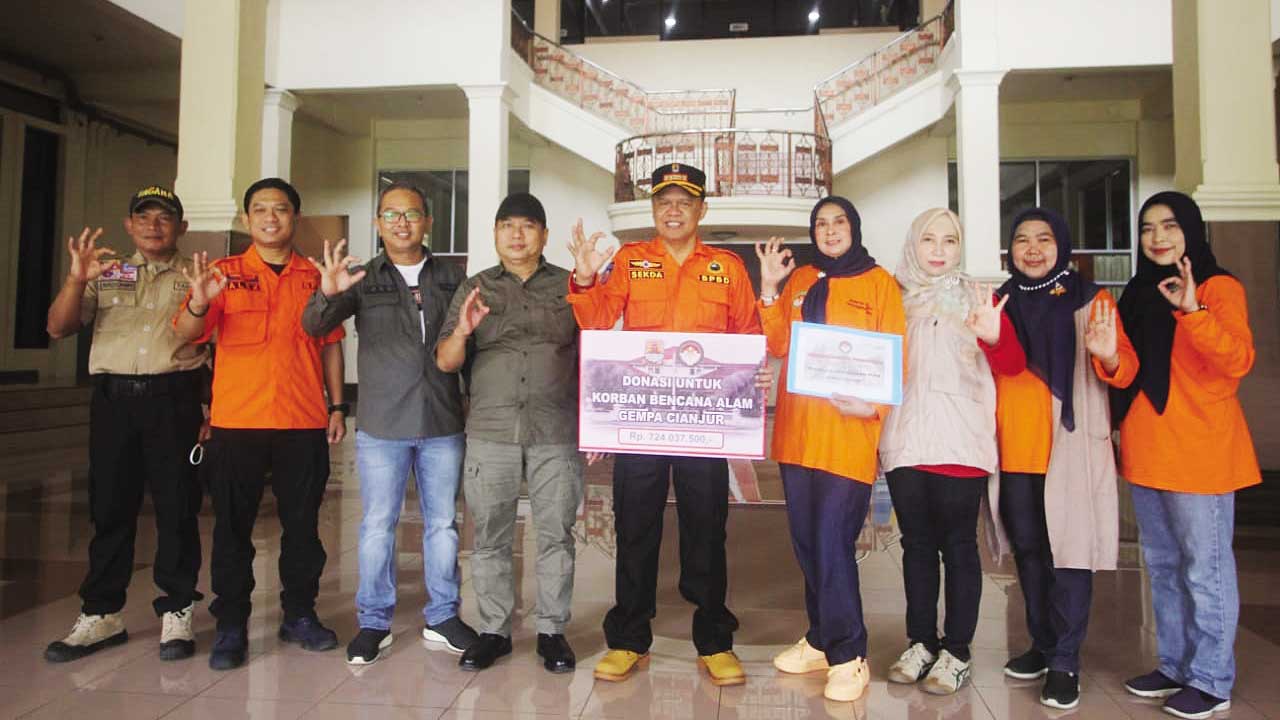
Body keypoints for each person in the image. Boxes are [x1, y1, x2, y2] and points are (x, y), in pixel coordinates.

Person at [567, 164, 761, 687]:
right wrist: (585, 278)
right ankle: (629, 639)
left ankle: (714, 641)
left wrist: (748, 391)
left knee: (707, 530)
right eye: (663, 202)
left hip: (703, 426)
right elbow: (596, 322)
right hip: (642, 424)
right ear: (653, 209)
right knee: (635, 527)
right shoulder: (631, 261)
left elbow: (748, 336)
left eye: (684, 201)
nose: (673, 210)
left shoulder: (727, 268)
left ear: (702, 210)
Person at [173, 177, 348, 671]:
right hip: (237, 423)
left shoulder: (314, 278)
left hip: (301, 421)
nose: (271, 218)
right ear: (247, 219)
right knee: (232, 529)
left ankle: (300, 615)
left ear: (295, 217)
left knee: (303, 528)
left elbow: (331, 345)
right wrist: (199, 302)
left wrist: (337, 406)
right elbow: (187, 335)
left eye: (281, 209)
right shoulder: (222, 275)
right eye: (261, 209)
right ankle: (231, 623)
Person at [301, 182, 477, 665]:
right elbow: (314, 327)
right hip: (382, 424)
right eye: (392, 215)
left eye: (412, 214)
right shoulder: (360, 277)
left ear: (428, 222)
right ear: (378, 223)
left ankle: (443, 616)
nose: (402, 223)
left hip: (442, 419)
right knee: (378, 525)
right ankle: (374, 622)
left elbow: (469, 342)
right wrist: (326, 293)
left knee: (443, 525)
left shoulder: (453, 276)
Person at [43, 186, 208, 663]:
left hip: (174, 401)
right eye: (144, 217)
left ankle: (177, 609)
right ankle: (101, 613)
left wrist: (211, 408)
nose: (154, 226)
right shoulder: (107, 272)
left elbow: (220, 345)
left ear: (182, 227)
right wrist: (76, 279)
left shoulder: (197, 275)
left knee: (178, 507)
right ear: (129, 224)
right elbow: (58, 327)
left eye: (164, 217)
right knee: (110, 508)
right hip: (114, 402)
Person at [1113, 192, 1260, 720]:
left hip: (1202, 452)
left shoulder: (1219, 288)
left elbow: (1236, 360)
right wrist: (1107, 355)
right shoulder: (1137, 293)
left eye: (1170, 226)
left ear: (1192, 231)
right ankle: (1175, 666)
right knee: (1163, 566)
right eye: (1148, 227)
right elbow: (1127, 372)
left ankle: (1212, 679)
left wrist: (1193, 311)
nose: (1157, 237)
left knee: (1206, 569)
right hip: (1147, 448)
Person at [755, 196, 905, 702]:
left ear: (854, 228)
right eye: (821, 224)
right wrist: (770, 288)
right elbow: (778, 343)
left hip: (848, 437)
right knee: (806, 542)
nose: (830, 230)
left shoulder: (879, 283)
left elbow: (896, 355)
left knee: (831, 543)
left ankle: (849, 654)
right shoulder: (801, 279)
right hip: (798, 436)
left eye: (839, 222)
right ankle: (821, 638)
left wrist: (874, 407)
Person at [994, 207, 1139, 710]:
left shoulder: (1091, 299)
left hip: (1069, 449)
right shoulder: (1000, 302)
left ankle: (1065, 661)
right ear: (1010, 249)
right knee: (1029, 552)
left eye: (1044, 238)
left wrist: (1108, 353)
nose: (1033, 249)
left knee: (1070, 555)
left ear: (1062, 245)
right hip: (1016, 450)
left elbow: (1125, 369)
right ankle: (1042, 644)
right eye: (1022, 239)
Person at [435, 192, 586, 674]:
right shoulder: (475, 288)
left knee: (556, 535)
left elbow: (598, 350)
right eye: (507, 226)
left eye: (527, 226)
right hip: (491, 432)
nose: (516, 235)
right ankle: (494, 632)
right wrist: (462, 331)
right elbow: (446, 362)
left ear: (544, 235)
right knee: (490, 537)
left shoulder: (571, 285)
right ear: (495, 233)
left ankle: (552, 632)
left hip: (556, 430)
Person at [878, 208, 1026, 694]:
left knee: (959, 546)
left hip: (961, 442)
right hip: (905, 440)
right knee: (916, 545)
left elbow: (1012, 364)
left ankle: (957, 651)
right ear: (913, 244)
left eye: (949, 240)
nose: (939, 250)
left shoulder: (980, 298)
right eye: (929, 240)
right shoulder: (892, 298)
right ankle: (921, 642)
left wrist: (994, 335)